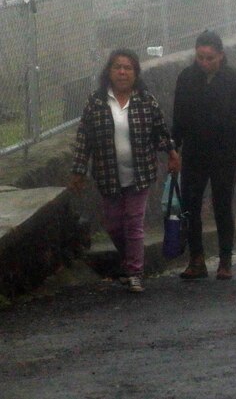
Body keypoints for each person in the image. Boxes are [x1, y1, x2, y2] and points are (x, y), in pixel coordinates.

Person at [69, 49, 180, 293]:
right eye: (117, 67)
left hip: (139, 173)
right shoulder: (96, 102)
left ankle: (135, 272)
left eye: (127, 68)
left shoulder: (145, 100)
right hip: (108, 174)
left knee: (133, 222)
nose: (122, 72)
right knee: (114, 226)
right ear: (108, 72)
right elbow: (83, 139)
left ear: (135, 73)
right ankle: (130, 261)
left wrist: (171, 152)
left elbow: (160, 132)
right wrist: (78, 170)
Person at [172, 30, 236, 280]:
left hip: (224, 154)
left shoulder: (233, 80)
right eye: (200, 57)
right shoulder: (186, 78)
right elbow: (180, 116)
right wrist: (173, 146)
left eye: (210, 58)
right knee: (190, 206)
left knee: (222, 205)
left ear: (221, 55)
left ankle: (225, 261)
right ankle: (196, 259)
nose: (204, 62)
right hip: (195, 152)